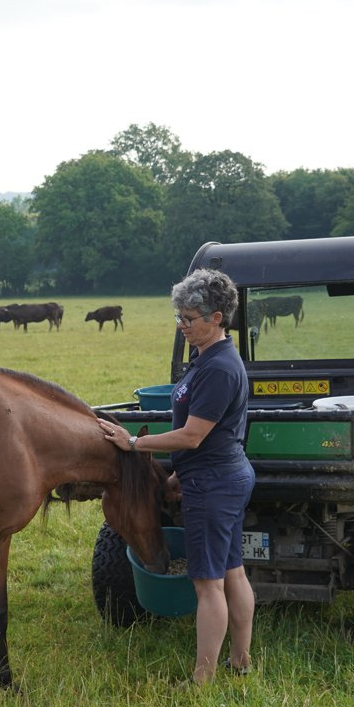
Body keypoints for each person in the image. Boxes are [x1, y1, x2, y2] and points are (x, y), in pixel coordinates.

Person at [98, 269, 256, 685]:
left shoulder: (219, 368)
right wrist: (178, 477)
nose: (182, 325)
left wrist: (133, 442)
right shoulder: (206, 359)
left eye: (189, 318)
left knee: (209, 583)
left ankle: (202, 679)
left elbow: (192, 436)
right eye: (179, 317)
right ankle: (240, 661)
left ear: (217, 318)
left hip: (213, 484)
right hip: (218, 476)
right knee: (232, 571)